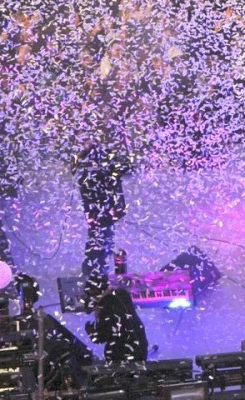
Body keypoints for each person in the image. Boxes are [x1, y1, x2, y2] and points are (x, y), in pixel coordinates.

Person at [72, 140, 132, 277]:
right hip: (100, 216)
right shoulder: (90, 174)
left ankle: (97, 273)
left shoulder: (102, 170)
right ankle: (94, 275)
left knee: (102, 244)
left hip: (103, 216)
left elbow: (125, 168)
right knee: (98, 245)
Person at [84, 272, 148, 363]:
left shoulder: (105, 306)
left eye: (92, 294)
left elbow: (101, 337)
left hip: (121, 354)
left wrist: (90, 330)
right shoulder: (121, 295)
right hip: (140, 349)